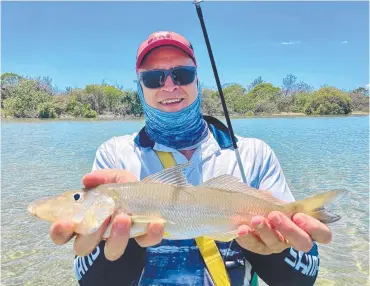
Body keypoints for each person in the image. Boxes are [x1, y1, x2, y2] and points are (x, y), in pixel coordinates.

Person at [50, 31, 332, 286]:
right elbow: (90, 280)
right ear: (140, 88)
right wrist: (127, 237)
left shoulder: (253, 154)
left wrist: (273, 250)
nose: (170, 86)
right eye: (153, 78)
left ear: (197, 80)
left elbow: (301, 278)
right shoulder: (114, 156)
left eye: (182, 75)